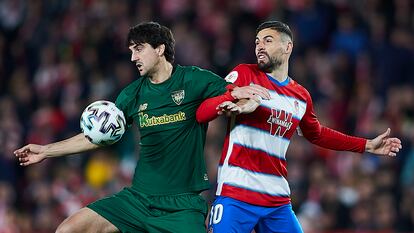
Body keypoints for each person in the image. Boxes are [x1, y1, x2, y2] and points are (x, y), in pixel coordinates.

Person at [14, 22, 270, 233]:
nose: (133, 57)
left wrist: (248, 101)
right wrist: (46, 151)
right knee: (69, 230)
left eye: (138, 49)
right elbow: (96, 137)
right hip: (138, 199)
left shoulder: (193, 79)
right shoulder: (132, 94)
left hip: (182, 206)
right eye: (131, 51)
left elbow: (236, 93)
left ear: (160, 49)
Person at [196, 21, 403, 233]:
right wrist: (232, 95)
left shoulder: (300, 96)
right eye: (257, 42)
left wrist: (366, 145)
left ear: (288, 47)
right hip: (236, 195)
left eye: (268, 41)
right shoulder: (244, 74)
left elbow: (317, 134)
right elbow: (202, 112)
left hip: (277, 202)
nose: (259, 46)